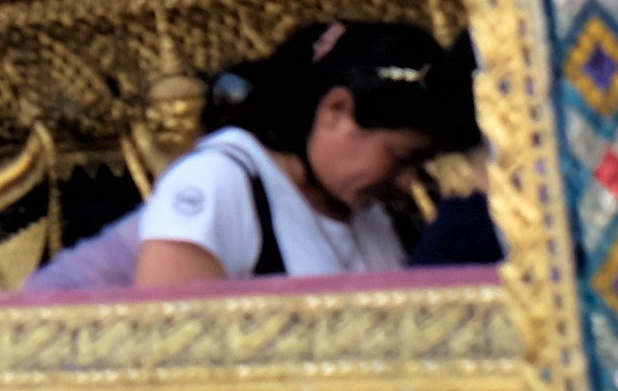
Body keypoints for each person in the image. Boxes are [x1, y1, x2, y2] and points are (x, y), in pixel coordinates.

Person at [130, 22, 465, 287]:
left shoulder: (367, 216)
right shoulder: (220, 183)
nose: (408, 183)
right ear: (336, 109)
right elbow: (170, 343)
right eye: (401, 158)